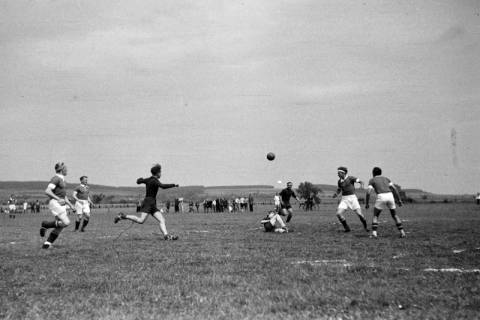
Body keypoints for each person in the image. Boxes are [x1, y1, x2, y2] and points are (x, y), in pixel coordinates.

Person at [114, 164, 179, 240]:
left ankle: (166, 236)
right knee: (141, 220)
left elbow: (139, 181)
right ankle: (122, 216)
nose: (161, 174)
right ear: (157, 173)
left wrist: (140, 180)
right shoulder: (155, 181)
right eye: (160, 172)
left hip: (152, 203)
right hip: (148, 202)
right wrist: (173, 185)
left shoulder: (148, 179)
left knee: (162, 220)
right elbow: (163, 186)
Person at [40, 162, 75, 249]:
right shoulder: (56, 178)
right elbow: (47, 191)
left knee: (61, 226)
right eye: (65, 168)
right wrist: (58, 198)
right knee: (66, 222)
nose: (67, 170)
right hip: (55, 203)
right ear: (61, 169)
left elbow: (64, 196)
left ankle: (47, 244)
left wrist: (70, 205)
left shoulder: (62, 180)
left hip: (60, 204)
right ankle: (46, 224)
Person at [365, 167, 406, 238]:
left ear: (373, 173)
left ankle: (374, 234)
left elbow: (368, 192)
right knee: (394, 215)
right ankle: (402, 233)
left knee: (375, 215)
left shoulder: (372, 180)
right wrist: (399, 200)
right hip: (390, 195)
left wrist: (367, 203)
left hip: (381, 196)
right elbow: (394, 189)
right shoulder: (386, 179)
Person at [332, 166, 368, 232]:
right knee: (338, 214)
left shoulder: (350, 178)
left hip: (352, 199)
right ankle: (347, 228)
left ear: (343, 173)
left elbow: (361, 181)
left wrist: (362, 185)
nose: (337, 174)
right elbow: (339, 189)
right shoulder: (339, 181)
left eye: (339, 173)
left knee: (360, 215)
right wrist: (336, 194)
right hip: (344, 199)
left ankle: (365, 227)